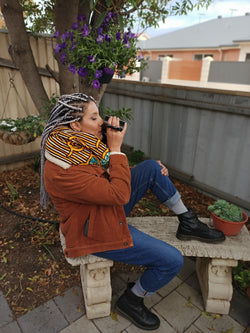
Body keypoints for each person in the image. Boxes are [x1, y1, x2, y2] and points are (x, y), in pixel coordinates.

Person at [40, 93, 225, 331]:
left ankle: (187, 221)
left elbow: (106, 177)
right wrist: (116, 149)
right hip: (93, 230)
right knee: (171, 261)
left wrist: (112, 146)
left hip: (102, 207)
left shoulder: (72, 143)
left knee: (150, 168)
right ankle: (132, 299)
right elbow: (119, 194)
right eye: (94, 118)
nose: (101, 122)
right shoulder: (64, 169)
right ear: (75, 124)